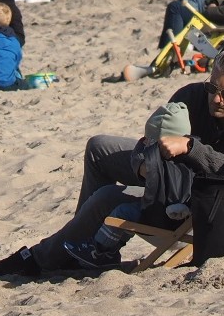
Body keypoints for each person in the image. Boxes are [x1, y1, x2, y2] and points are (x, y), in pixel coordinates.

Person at [0, 44, 224, 276]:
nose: (216, 99)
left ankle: (43, 258)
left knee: (109, 197)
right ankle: (80, 239)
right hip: (163, 172)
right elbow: (151, 136)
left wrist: (191, 148)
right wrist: (143, 161)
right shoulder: (192, 97)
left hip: (200, 199)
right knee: (99, 147)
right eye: (212, 88)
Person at [63, 102, 194, 270]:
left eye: (149, 141)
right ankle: (102, 247)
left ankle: (102, 252)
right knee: (124, 207)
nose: (146, 143)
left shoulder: (160, 163)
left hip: (166, 220)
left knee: (122, 212)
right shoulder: (188, 158)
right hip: (174, 217)